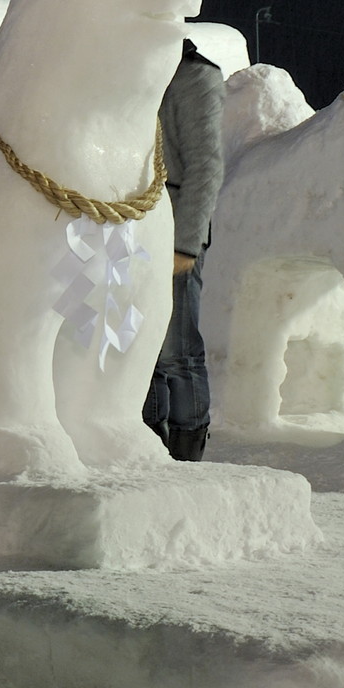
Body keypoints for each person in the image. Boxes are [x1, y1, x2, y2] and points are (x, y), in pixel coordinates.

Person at [143, 39, 227, 460]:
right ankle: (149, 444)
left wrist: (185, 244)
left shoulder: (195, 77)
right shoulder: (141, 73)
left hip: (175, 228)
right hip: (137, 227)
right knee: (142, 349)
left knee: (177, 352)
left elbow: (207, 166)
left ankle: (187, 451)